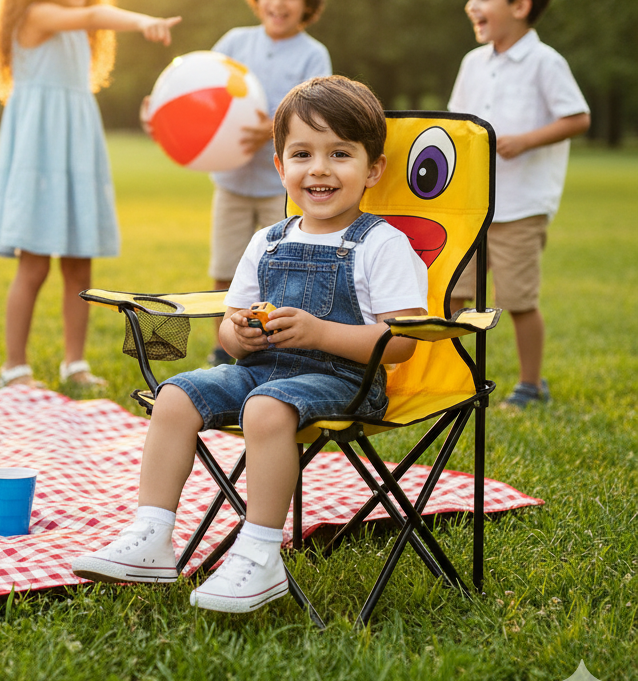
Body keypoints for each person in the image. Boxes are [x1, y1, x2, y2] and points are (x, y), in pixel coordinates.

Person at [73, 76, 428, 613]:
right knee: (175, 395)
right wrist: (237, 333)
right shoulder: (268, 240)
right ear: (281, 167)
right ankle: (152, 535)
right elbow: (229, 328)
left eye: (340, 153)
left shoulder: (382, 243)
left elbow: (403, 342)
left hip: (345, 382)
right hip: (262, 370)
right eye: (302, 154)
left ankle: (261, 553)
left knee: (264, 408)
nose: (320, 169)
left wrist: (320, 332)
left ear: (373, 168)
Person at [0, 0, 180, 393]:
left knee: (79, 264)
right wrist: (142, 21)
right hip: (40, 152)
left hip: (76, 148)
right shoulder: (34, 15)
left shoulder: (75, 27)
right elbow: (92, 15)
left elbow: (88, 20)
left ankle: (74, 362)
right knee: (34, 263)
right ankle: (14, 367)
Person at [143, 0, 331, 366]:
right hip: (230, 184)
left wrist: (272, 129)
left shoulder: (312, 54)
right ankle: (223, 346)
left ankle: (274, 349)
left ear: (308, 4)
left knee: (277, 271)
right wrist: (161, 113)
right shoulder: (235, 41)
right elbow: (197, 94)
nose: (277, 3)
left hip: (280, 188)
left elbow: (317, 116)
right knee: (226, 269)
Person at [448, 0, 590, 410]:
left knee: (518, 298)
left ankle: (531, 385)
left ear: (520, 6)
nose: (471, 6)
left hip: (521, 205)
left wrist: (526, 141)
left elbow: (577, 117)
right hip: (473, 204)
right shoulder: (473, 62)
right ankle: (450, 378)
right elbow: (455, 125)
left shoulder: (544, 62)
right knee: (454, 295)